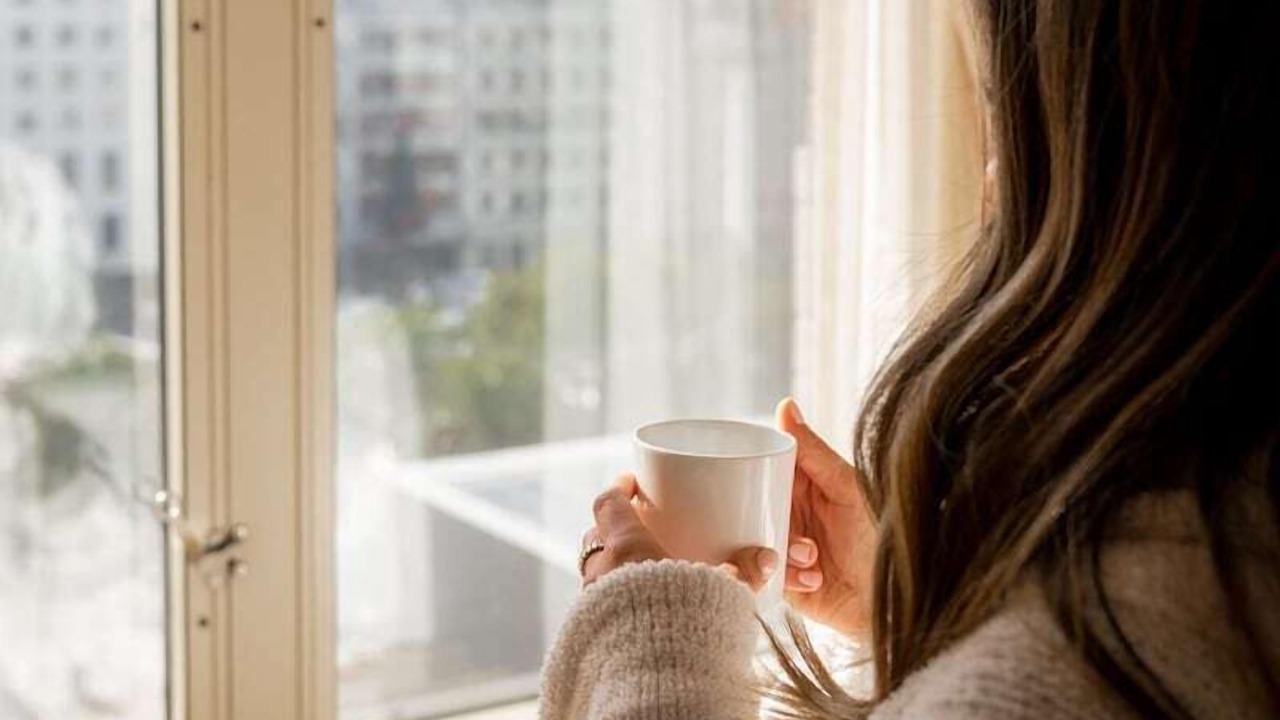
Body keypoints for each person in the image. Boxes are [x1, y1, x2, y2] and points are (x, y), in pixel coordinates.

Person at [539, 0, 1280, 718]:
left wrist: (651, 645)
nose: (992, 179)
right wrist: (906, 601)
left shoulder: (1082, 664)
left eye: (1004, 116)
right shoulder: (1225, 563)